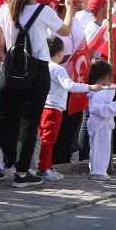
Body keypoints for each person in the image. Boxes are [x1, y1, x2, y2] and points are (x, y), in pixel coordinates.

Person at [0, 0, 74, 188]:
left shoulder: (5, 9)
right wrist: (69, 8)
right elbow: (66, 30)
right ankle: (22, 172)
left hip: (9, 68)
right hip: (36, 69)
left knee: (1, 119)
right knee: (29, 122)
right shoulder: (43, 11)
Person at [38, 36, 101, 181]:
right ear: (60, 53)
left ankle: (47, 165)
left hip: (45, 108)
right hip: (53, 108)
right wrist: (89, 87)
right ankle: (43, 168)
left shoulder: (42, 66)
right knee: (48, 140)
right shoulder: (58, 69)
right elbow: (69, 85)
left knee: (46, 139)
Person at [86, 59, 116, 181]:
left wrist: (111, 87)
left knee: (104, 148)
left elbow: (108, 96)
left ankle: (100, 170)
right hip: (99, 124)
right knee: (98, 148)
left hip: (105, 124)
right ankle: (97, 171)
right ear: (105, 76)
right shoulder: (96, 93)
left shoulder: (103, 89)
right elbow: (102, 110)